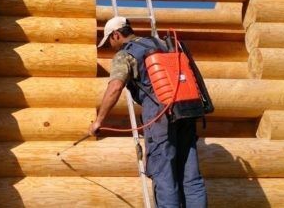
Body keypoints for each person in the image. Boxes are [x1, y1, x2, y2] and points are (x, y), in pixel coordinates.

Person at [89, 16, 207, 207]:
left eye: (110, 40)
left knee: (164, 176)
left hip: (160, 116)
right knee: (191, 177)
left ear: (117, 35)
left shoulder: (125, 54)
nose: (111, 45)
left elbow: (115, 88)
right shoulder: (162, 43)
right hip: (186, 111)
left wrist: (99, 121)